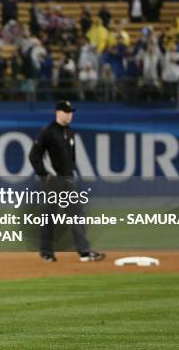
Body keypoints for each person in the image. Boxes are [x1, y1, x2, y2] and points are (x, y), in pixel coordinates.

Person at [29, 101, 106, 263]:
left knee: (77, 216)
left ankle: (84, 252)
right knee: (49, 216)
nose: (69, 114)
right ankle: (46, 253)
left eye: (71, 111)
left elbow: (71, 158)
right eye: (66, 111)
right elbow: (34, 156)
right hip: (53, 181)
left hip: (68, 180)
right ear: (57, 112)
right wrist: (44, 175)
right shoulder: (48, 132)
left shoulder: (69, 132)